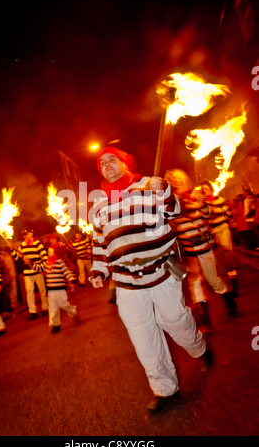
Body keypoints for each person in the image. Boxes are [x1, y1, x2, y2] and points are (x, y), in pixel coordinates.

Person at [90, 147, 211, 415]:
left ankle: (199, 348)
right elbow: (99, 241)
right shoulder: (98, 202)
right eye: (102, 163)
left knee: (175, 320)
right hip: (125, 279)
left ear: (124, 163)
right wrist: (98, 270)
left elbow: (177, 210)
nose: (108, 164)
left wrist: (165, 189)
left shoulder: (148, 184)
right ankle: (164, 389)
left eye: (113, 159)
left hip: (163, 269)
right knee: (142, 336)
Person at [165, 170, 237, 327]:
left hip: (204, 247)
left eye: (178, 178)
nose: (175, 181)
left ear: (184, 180)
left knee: (213, 281)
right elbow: (170, 226)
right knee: (195, 281)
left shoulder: (194, 196)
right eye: (172, 179)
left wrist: (202, 204)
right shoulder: (169, 202)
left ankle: (228, 299)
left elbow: (206, 219)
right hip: (188, 250)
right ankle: (204, 316)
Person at [200, 180, 238, 298]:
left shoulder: (219, 200)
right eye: (202, 190)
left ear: (211, 190)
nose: (204, 192)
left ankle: (233, 287)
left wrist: (225, 221)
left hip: (222, 231)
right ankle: (224, 288)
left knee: (227, 258)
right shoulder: (201, 204)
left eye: (206, 189)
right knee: (216, 262)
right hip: (211, 235)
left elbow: (228, 214)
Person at [31, 245, 80, 333]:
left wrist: (72, 279)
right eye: (48, 251)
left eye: (50, 251)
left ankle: (73, 312)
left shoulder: (60, 262)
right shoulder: (47, 263)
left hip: (60, 290)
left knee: (63, 304)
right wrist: (31, 264)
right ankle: (55, 325)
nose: (48, 253)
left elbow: (66, 272)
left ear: (56, 252)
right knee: (52, 308)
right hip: (51, 290)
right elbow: (39, 268)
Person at [8, 228, 48, 321]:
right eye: (23, 235)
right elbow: (17, 258)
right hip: (27, 272)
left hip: (37, 270)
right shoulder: (22, 245)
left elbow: (44, 256)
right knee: (29, 291)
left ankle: (45, 307)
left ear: (31, 234)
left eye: (27, 234)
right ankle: (32, 311)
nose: (25, 236)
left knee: (42, 289)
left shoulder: (37, 243)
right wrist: (12, 249)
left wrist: (43, 267)